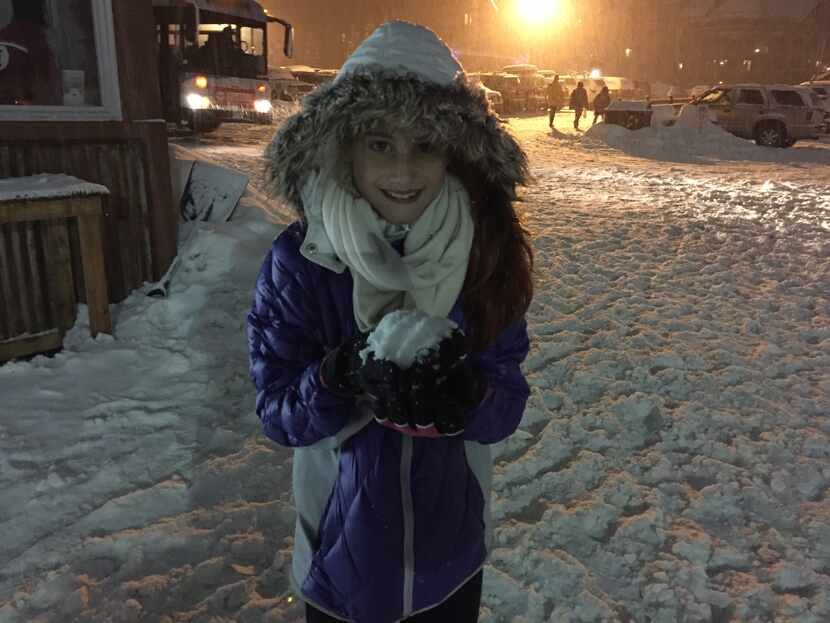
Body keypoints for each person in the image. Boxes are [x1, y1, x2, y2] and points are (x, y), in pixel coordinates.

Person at [248, 20, 533, 623]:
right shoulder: (301, 262)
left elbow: (506, 402)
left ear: (453, 153)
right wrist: (340, 375)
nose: (403, 172)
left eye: (424, 145)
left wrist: (466, 395)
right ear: (343, 146)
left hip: (451, 567)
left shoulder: (486, 253)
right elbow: (277, 412)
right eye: (380, 144)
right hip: (338, 568)